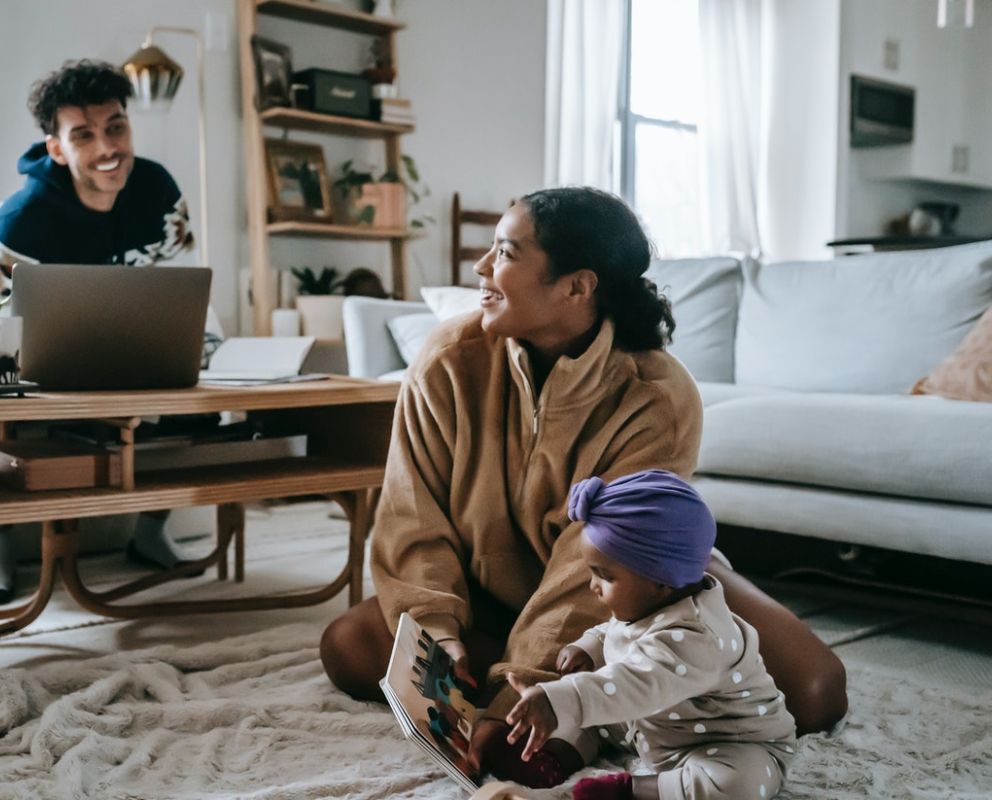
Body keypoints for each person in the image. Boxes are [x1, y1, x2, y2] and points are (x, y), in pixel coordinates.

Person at [318, 186, 847, 788]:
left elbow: (594, 567)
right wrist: (441, 637)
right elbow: (412, 517)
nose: (481, 268)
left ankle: (585, 695)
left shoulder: (657, 393)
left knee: (814, 691)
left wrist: (516, 695)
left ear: (577, 286)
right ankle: (589, 698)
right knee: (349, 646)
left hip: (635, 592)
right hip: (485, 587)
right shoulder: (446, 361)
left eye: (506, 253)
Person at [0, 59, 219, 604]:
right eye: (84, 135)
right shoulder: (18, 222)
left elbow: (181, 288)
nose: (107, 149)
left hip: (134, 356)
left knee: (201, 376)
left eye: (116, 127)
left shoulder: (160, 192)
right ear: (56, 148)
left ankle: (150, 535)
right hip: (34, 368)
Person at [504, 470, 796, 800]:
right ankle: (552, 759)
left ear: (661, 579)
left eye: (604, 576)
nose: (592, 586)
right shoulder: (649, 602)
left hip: (725, 742)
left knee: (738, 784)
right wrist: (589, 645)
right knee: (590, 717)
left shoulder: (700, 638)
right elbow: (615, 633)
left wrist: (558, 698)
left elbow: (636, 682)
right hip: (651, 722)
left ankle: (631, 791)